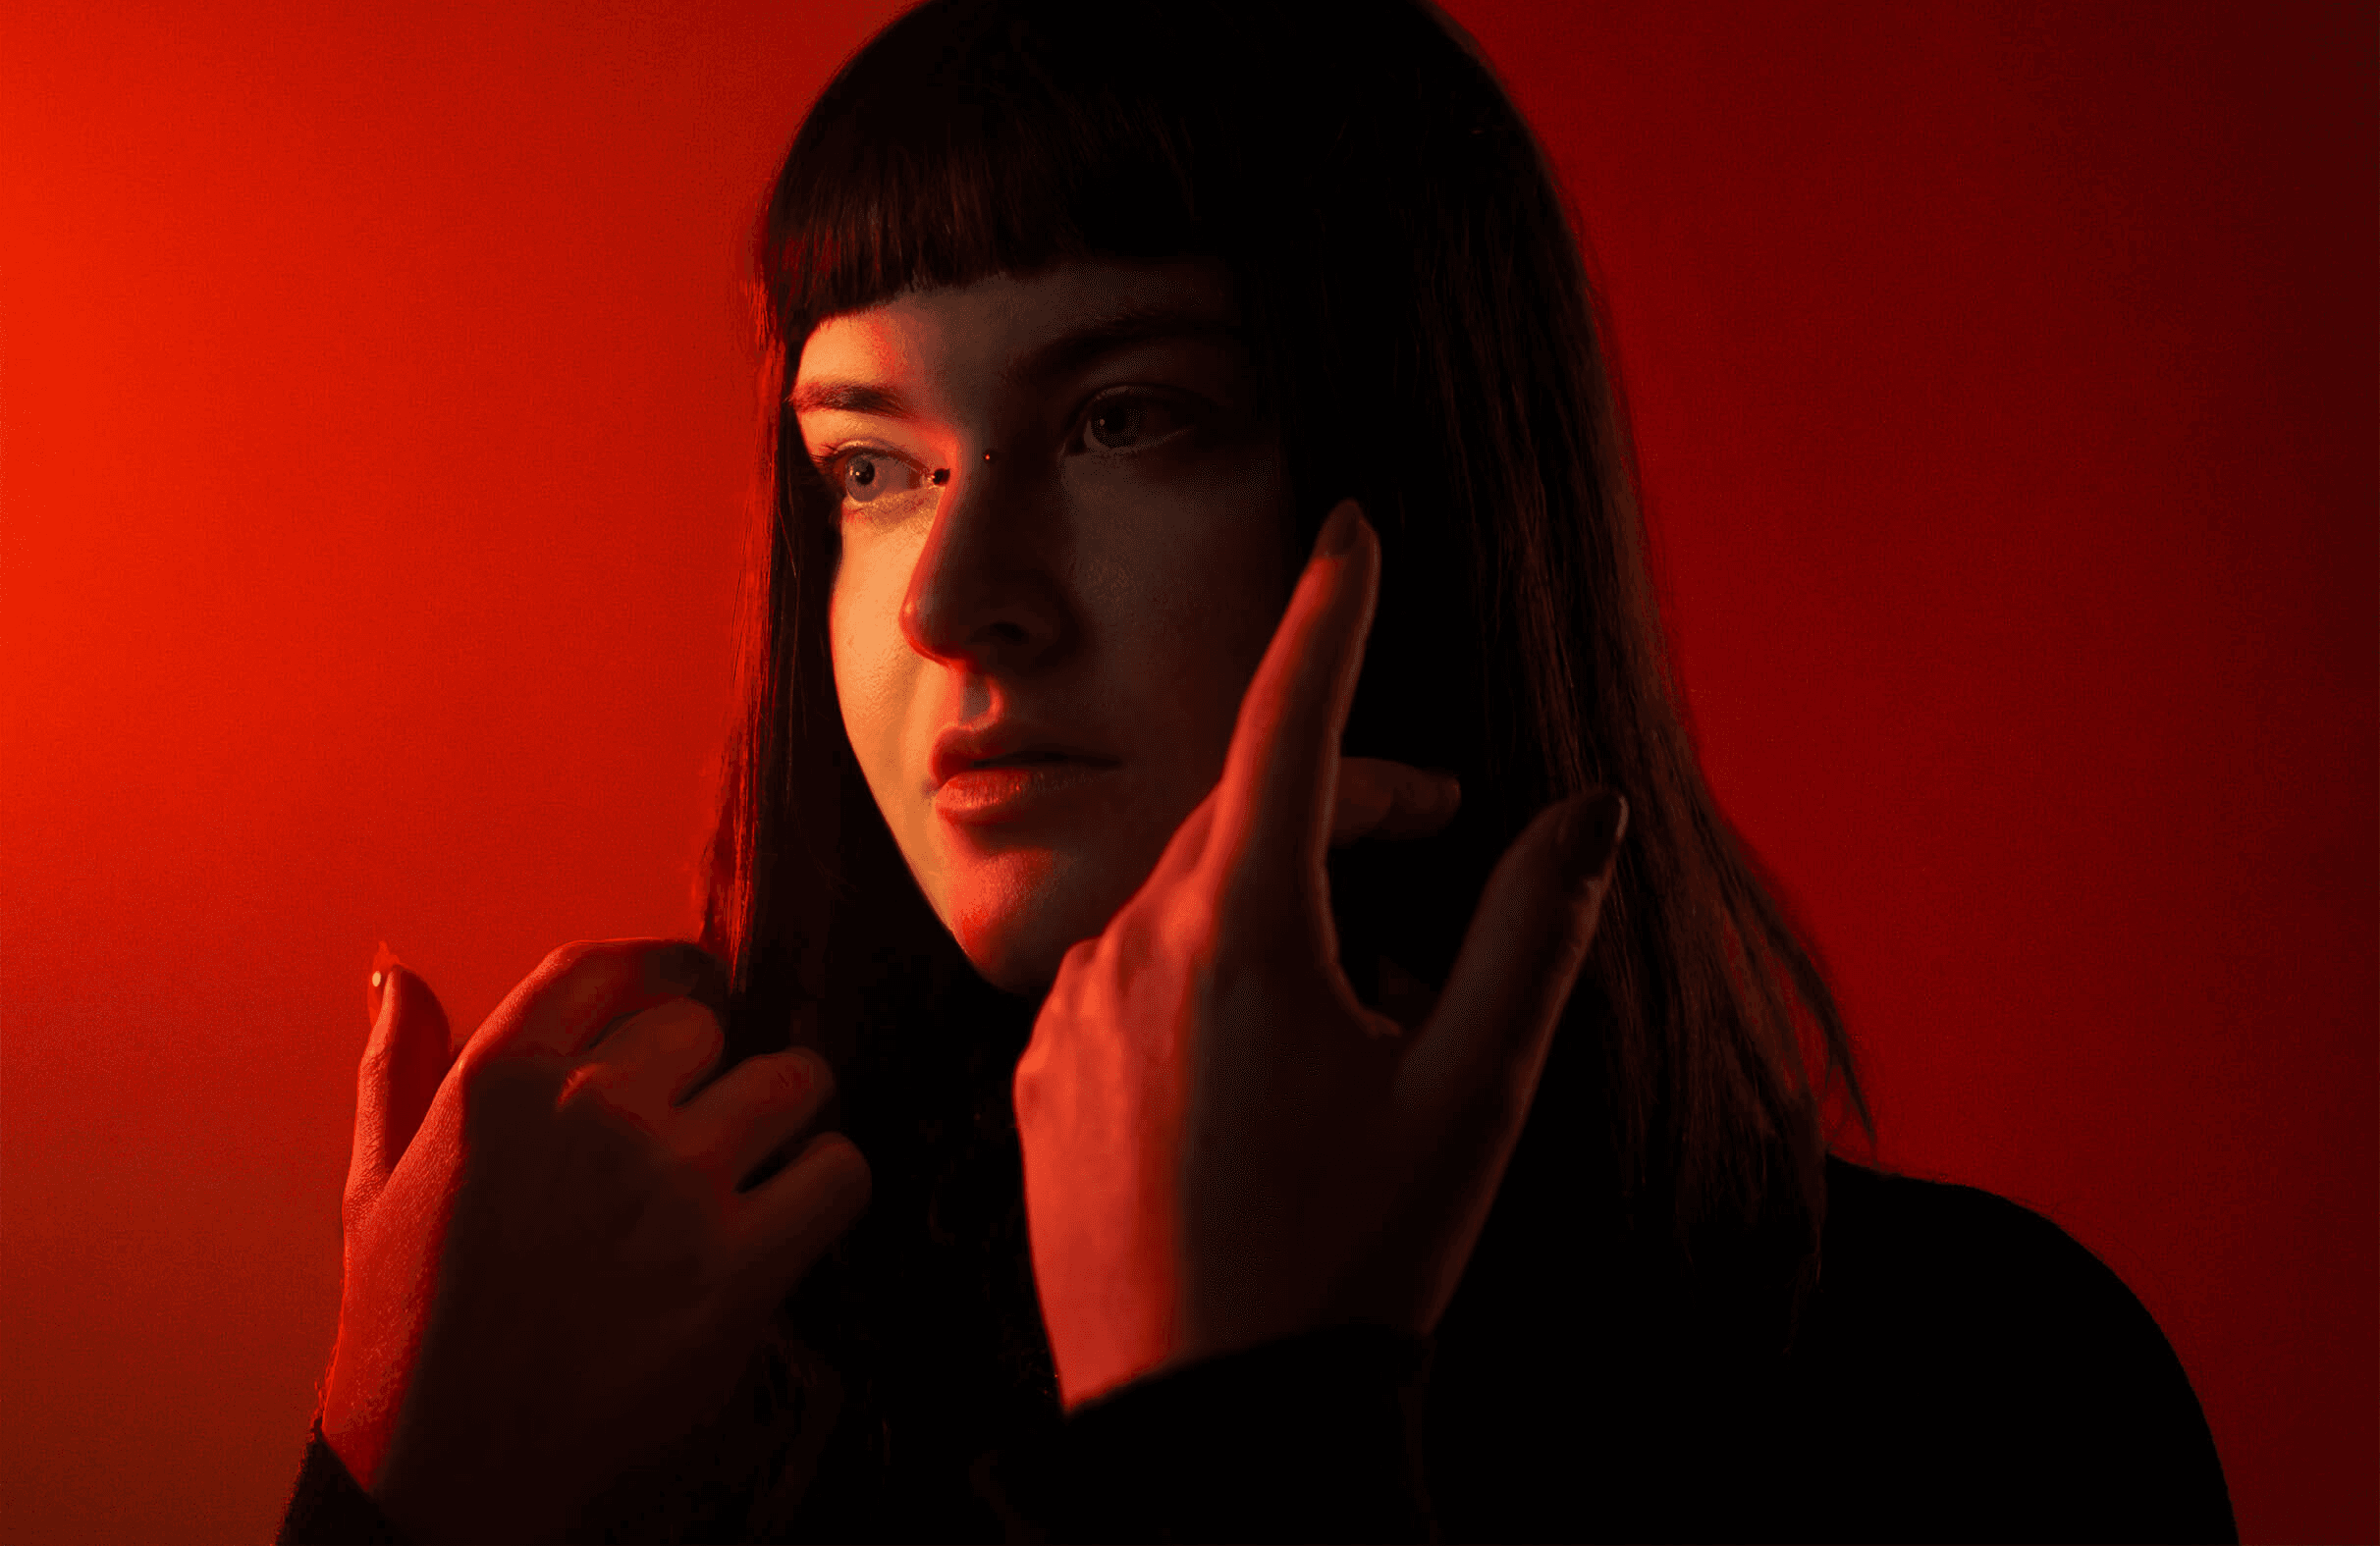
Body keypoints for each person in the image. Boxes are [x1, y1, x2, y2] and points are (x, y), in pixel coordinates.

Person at [279, 1, 2238, 1540]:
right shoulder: (679, 1409)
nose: (955, 595)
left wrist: (1241, 1439)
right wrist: (394, 1499)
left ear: (1432, 490)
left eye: (1129, 418)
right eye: (870, 466)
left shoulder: (1974, 1389)